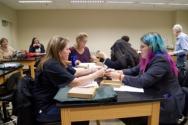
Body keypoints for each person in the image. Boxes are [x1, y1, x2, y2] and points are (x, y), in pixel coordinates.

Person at [105, 32, 185, 125]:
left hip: (166, 102)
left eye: (143, 47)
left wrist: (119, 77)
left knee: (129, 114)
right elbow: (134, 70)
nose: (140, 49)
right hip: (157, 97)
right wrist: (119, 72)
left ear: (152, 47)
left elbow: (143, 81)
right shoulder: (150, 58)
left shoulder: (161, 60)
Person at [32, 36, 105, 124]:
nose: (69, 51)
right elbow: (75, 83)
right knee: (82, 114)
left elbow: (75, 73)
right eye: (67, 49)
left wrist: (93, 70)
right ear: (59, 52)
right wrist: (97, 74)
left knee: (82, 111)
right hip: (46, 109)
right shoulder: (51, 65)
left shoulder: (56, 61)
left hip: (52, 101)